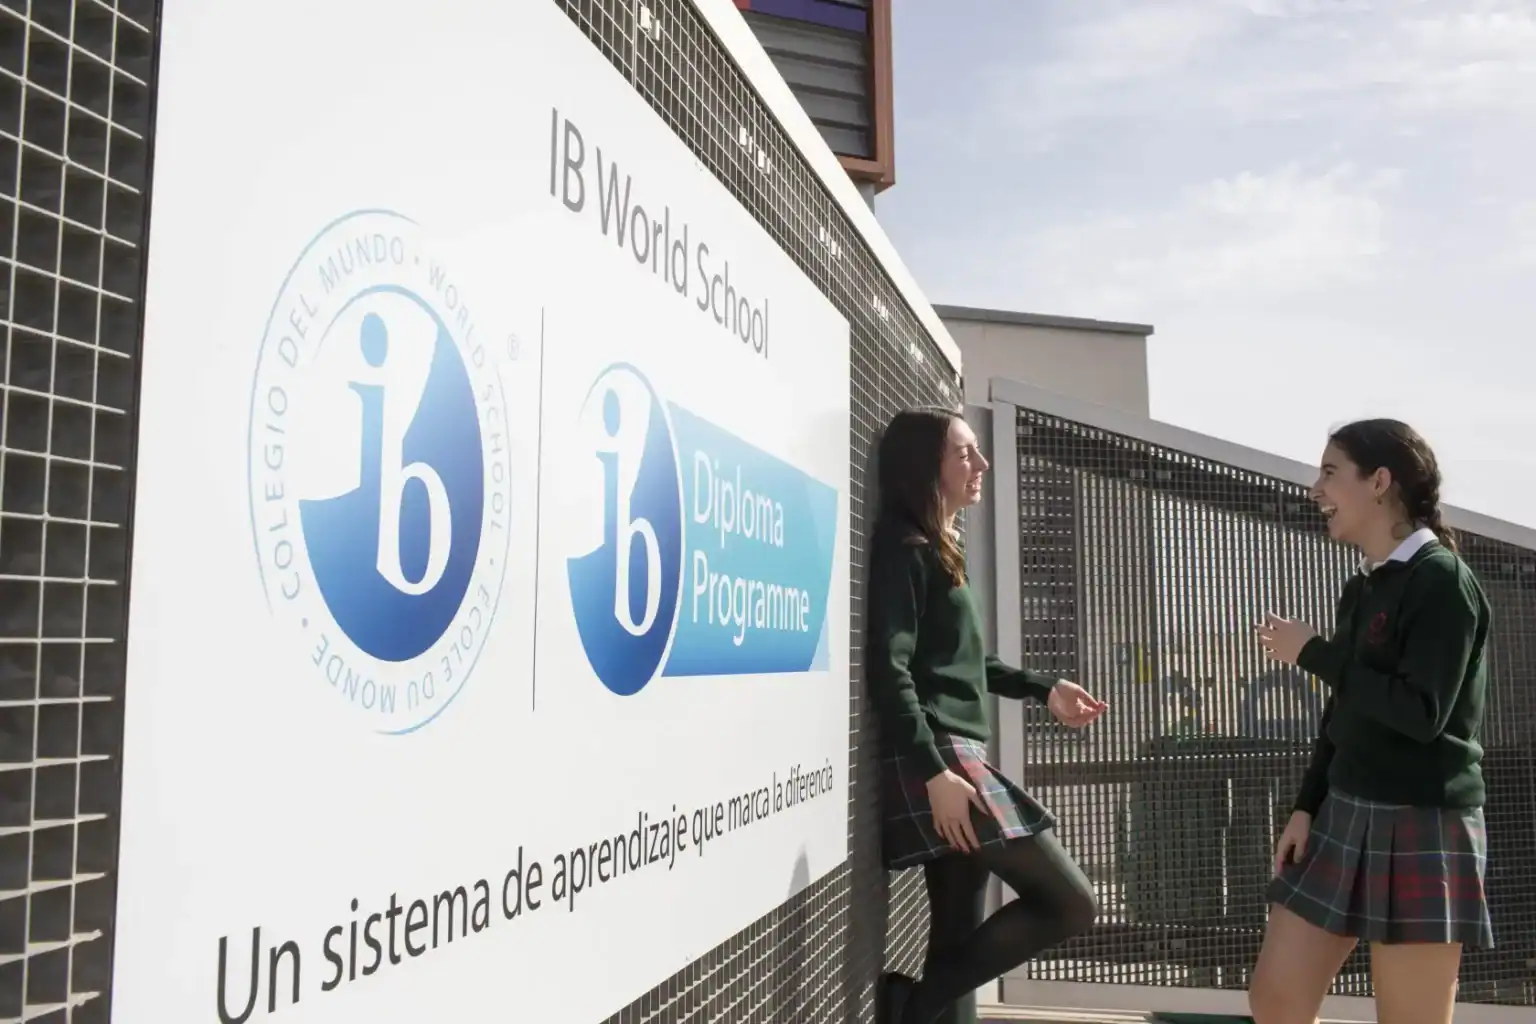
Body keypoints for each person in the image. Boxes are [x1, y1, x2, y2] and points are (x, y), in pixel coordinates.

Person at [867, 407, 1108, 1024]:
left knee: (955, 938)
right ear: (926, 468)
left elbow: (971, 663)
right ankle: (913, 1005)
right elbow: (889, 668)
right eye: (964, 453)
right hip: (942, 760)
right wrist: (935, 773)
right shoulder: (905, 548)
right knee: (1072, 903)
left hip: (955, 755)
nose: (982, 463)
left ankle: (919, 1009)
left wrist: (1045, 689)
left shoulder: (940, 549)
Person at [1253, 418, 1493, 1024]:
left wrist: (1313, 653)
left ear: (1379, 482)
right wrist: (1307, 805)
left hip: (1423, 822)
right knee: (1275, 998)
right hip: (1343, 811)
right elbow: (1345, 708)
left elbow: (1421, 715)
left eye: (1330, 472)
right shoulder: (1363, 586)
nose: (1315, 489)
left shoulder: (1442, 580)